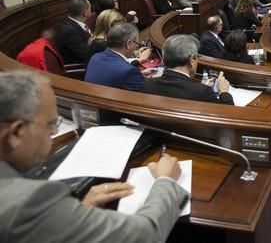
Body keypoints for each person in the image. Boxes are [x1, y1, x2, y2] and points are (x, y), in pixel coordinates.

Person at [0, 71, 188, 242]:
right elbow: (146, 234)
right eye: (51, 124)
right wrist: (166, 181)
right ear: (16, 133)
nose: (55, 131)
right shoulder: (30, 203)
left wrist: (71, 217)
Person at [144, 34, 234, 104]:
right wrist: (224, 92)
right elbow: (228, 118)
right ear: (192, 59)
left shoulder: (147, 84)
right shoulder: (202, 92)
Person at [85, 22, 152, 91]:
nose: (136, 46)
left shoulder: (96, 57)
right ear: (128, 44)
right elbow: (142, 96)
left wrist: (139, 75)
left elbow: (112, 75)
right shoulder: (128, 71)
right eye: (136, 43)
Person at [55, 0, 92, 64]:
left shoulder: (73, 23)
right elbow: (86, 55)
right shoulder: (70, 32)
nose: (91, 11)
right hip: (81, 68)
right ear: (85, 13)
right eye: (90, 8)